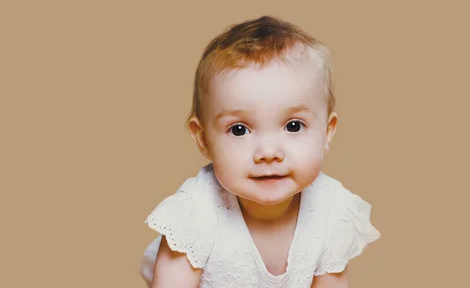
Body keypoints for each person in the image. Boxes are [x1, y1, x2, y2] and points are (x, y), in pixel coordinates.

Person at [139, 15, 381, 288]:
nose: (268, 152)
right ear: (203, 138)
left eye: (293, 125)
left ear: (327, 131)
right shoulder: (194, 217)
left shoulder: (331, 212)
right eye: (239, 129)